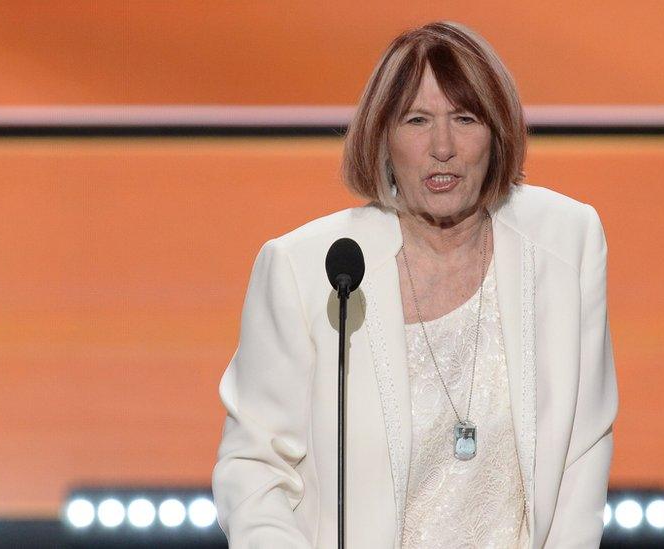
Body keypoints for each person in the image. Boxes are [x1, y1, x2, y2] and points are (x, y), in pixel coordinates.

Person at [212, 20, 618, 549]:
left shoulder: (568, 241)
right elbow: (253, 467)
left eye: (465, 118)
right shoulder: (309, 269)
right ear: (382, 136)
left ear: (498, 133)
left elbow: (584, 452)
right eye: (417, 120)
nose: (442, 147)